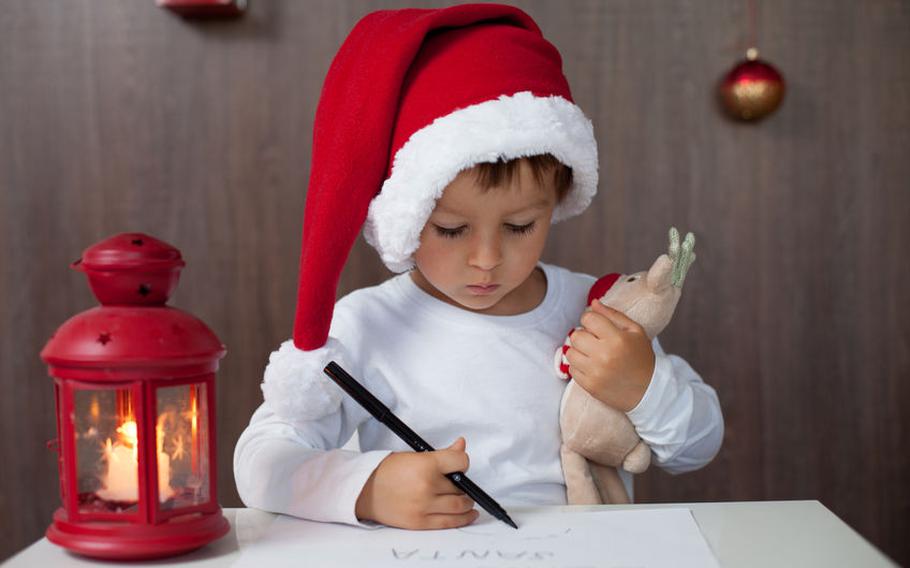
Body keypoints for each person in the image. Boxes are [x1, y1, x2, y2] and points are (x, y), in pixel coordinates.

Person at [234, 4, 724, 531]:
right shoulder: (366, 327)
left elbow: (700, 445)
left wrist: (644, 387)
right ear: (405, 215)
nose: (487, 259)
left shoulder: (600, 312)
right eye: (450, 229)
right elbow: (260, 462)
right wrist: (369, 489)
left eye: (519, 227)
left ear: (559, 199)